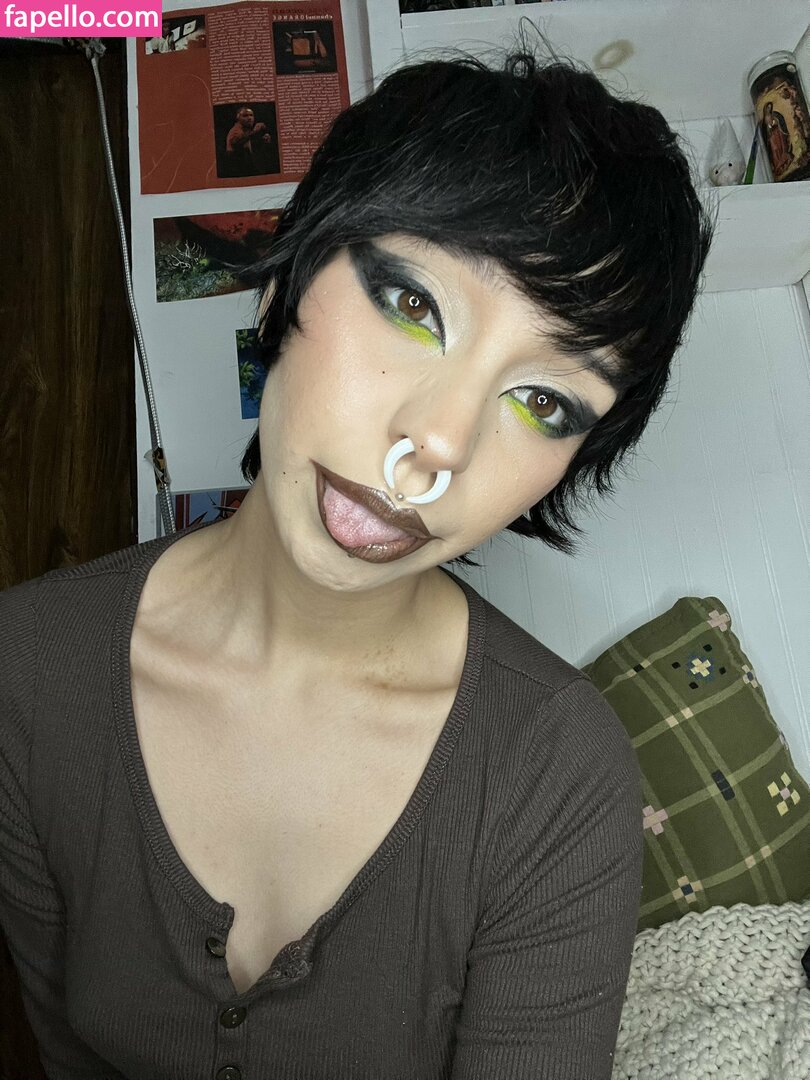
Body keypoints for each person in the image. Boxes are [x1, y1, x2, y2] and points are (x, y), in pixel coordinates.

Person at [0, 44, 711, 1080]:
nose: (440, 443)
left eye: (543, 402)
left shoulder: (558, 777)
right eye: (415, 305)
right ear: (286, 279)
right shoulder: (25, 673)